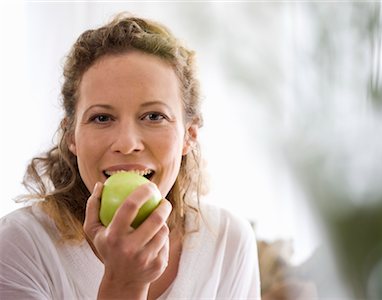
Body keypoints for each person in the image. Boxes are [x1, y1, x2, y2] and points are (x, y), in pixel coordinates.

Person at [0, 14, 261, 299]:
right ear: (71, 136)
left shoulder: (228, 243)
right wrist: (124, 284)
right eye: (101, 118)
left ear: (190, 135)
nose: (127, 144)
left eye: (153, 116)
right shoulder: (20, 244)